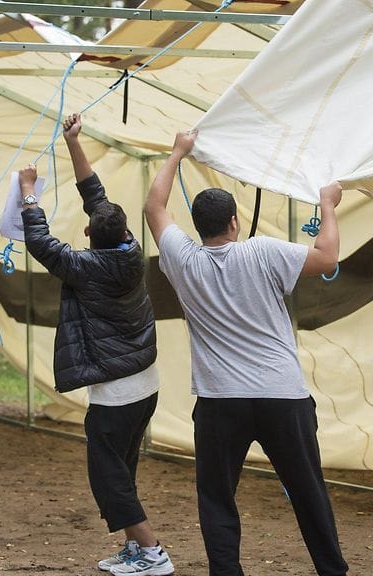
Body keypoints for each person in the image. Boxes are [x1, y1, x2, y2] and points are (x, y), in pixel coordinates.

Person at [144, 128, 349, 576]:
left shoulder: (183, 259)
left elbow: (154, 208)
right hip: (282, 396)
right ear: (235, 222)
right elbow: (328, 257)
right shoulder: (263, 252)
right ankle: (332, 571)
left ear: (197, 227)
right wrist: (329, 205)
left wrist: (178, 152)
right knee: (308, 492)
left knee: (217, 496)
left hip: (220, 402)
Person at [20, 113, 172, 576]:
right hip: (145, 385)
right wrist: (72, 142)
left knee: (107, 476)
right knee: (121, 471)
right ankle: (133, 547)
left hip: (116, 393)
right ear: (124, 231)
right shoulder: (130, 253)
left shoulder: (87, 267)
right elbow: (97, 198)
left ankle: (152, 553)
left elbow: (40, 241)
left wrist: (29, 192)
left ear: (89, 234)